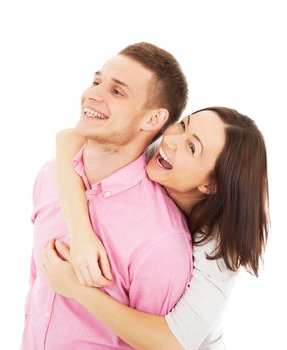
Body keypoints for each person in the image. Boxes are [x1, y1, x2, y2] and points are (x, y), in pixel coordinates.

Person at [41, 106, 269, 350]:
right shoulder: (157, 155)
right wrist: (81, 236)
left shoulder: (219, 247)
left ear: (210, 184)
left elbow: (172, 342)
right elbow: (70, 139)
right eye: (183, 125)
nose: (171, 140)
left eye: (192, 147)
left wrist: (77, 289)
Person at [21, 42, 194, 350]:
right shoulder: (50, 176)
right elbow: (37, 286)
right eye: (97, 81)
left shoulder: (161, 240)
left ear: (153, 120)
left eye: (117, 92)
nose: (93, 94)